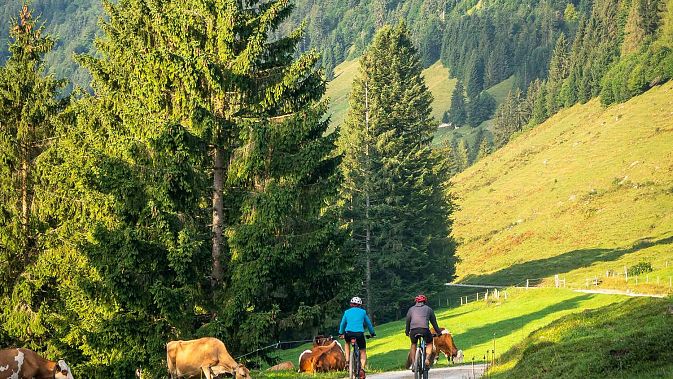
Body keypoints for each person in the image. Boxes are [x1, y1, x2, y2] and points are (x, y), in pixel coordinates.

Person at [339, 296, 376, 378]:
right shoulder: (363, 312)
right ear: (360, 305)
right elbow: (369, 324)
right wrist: (372, 333)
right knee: (362, 350)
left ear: (351, 304)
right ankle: (362, 369)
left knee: (347, 343)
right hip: (359, 334)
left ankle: (348, 361)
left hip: (348, 333)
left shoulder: (347, 312)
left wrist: (341, 333)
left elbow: (342, 324)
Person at [405, 294, 441, 370]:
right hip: (424, 330)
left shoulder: (411, 309)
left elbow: (407, 322)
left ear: (416, 302)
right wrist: (439, 332)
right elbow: (434, 323)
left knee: (413, 344)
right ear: (425, 301)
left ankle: (414, 363)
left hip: (413, 331)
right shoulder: (429, 309)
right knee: (429, 343)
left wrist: (407, 332)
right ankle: (427, 359)